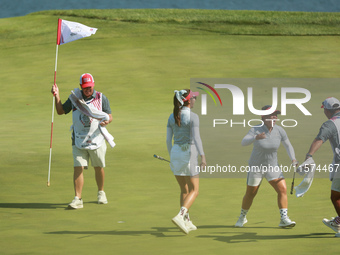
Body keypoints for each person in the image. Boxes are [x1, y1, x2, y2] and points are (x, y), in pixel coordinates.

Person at [51, 73, 112, 209]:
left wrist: (107, 121)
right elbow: (60, 111)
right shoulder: (74, 99)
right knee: (78, 167)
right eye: (85, 87)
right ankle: (78, 198)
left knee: (98, 167)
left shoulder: (101, 98)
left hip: (97, 139)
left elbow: (109, 116)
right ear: (81, 87)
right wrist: (57, 95)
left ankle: (101, 192)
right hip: (78, 138)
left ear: (93, 85)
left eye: (89, 87)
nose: (87, 90)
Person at [235, 105, 298, 228]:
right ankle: (242, 217)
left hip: (272, 167)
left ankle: (284, 219)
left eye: (276, 115)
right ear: (263, 117)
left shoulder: (280, 130)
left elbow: (288, 145)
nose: (274, 117)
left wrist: (293, 159)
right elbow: (244, 142)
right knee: (251, 193)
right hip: (256, 167)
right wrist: (255, 137)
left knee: (282, 190)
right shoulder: (256, 129)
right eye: (271, 115)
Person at [166, 89, 206, 234]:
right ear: (189, 100)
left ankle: (186, 221)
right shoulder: (194, 117)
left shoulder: (172, 116)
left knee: (184, 189)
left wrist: (172, 158)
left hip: (176, 153)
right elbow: (197, 138)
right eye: (194, 98)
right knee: (195, 190)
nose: (195, 100)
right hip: (189, 153)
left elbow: (167, 141)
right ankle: (180, 215)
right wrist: (203, 156)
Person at [304, 97, 340, 238]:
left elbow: (319, 139)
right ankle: (337, 221)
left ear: (327, 110)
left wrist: (309, 156)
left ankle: (338, 223)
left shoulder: (330, 124)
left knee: (336, 197)